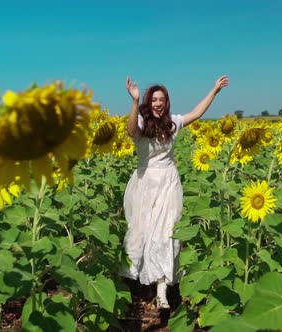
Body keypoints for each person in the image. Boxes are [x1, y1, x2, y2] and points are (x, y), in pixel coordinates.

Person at [120, 75, 229, 309]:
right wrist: (134, 101)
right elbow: (130, 131)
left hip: (169, 183)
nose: (158, 103)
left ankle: (162, 291)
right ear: (148, 103)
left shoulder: (172, 124)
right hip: (145, 183)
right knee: (141, 232)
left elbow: (196, 113)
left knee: (166, 233)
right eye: (154, 100)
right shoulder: (140, 123)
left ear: (166, 102)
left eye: (162, 99)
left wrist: (214, 91)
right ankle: (135, 281)